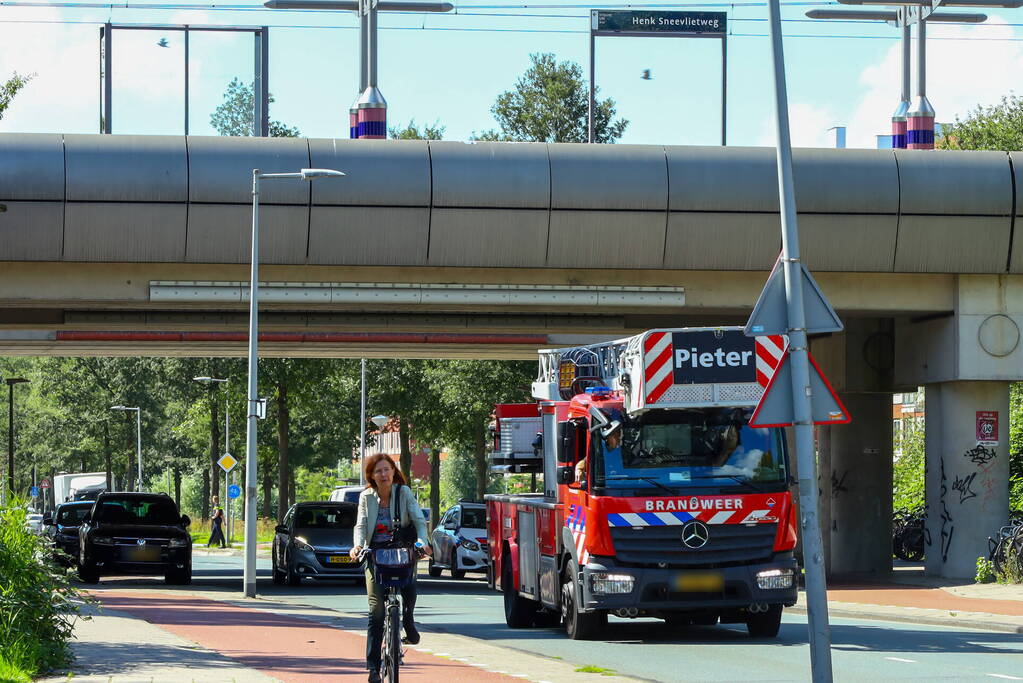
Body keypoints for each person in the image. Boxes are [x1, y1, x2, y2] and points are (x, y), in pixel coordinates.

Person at [349, 454, 432, 682]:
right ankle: (374, 668)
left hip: (402, 550)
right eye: (378, 471)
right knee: (376, 611)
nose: (383, 475)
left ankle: (408, 620)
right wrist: (357, 546)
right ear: (372, 476)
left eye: (387, 470)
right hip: (375, 554)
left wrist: (422, 542)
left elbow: (418, 520)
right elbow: (361, 524)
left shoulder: (403, 493)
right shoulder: (366, 497)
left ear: (394, 472)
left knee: (410, 587)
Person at [575, 421, 621, 487]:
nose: (618, 438)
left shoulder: (622, 451)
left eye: (618, 435)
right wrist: (578, 469)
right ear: (607, 437)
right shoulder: (599, 450)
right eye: (615, 436)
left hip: (622, 484)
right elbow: (584, 462)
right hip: (603, 484)